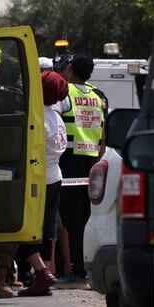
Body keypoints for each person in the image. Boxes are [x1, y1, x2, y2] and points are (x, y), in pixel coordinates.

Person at [54, 53, 105, 285]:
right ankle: (88, 264)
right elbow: (102, 135)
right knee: (86, 217)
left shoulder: (66, 93)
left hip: (70, 161)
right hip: (92, 161)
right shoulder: (96, 96)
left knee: (72, 220)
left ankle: (77, 269)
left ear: (71, 68)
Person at [18, 70, 69, 296]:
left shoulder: (38, 119)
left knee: (25, 227)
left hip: (39, 179)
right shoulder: (56, 117)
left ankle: (40, 272)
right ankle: (45, 270)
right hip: (55, 176)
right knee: (47, 227)